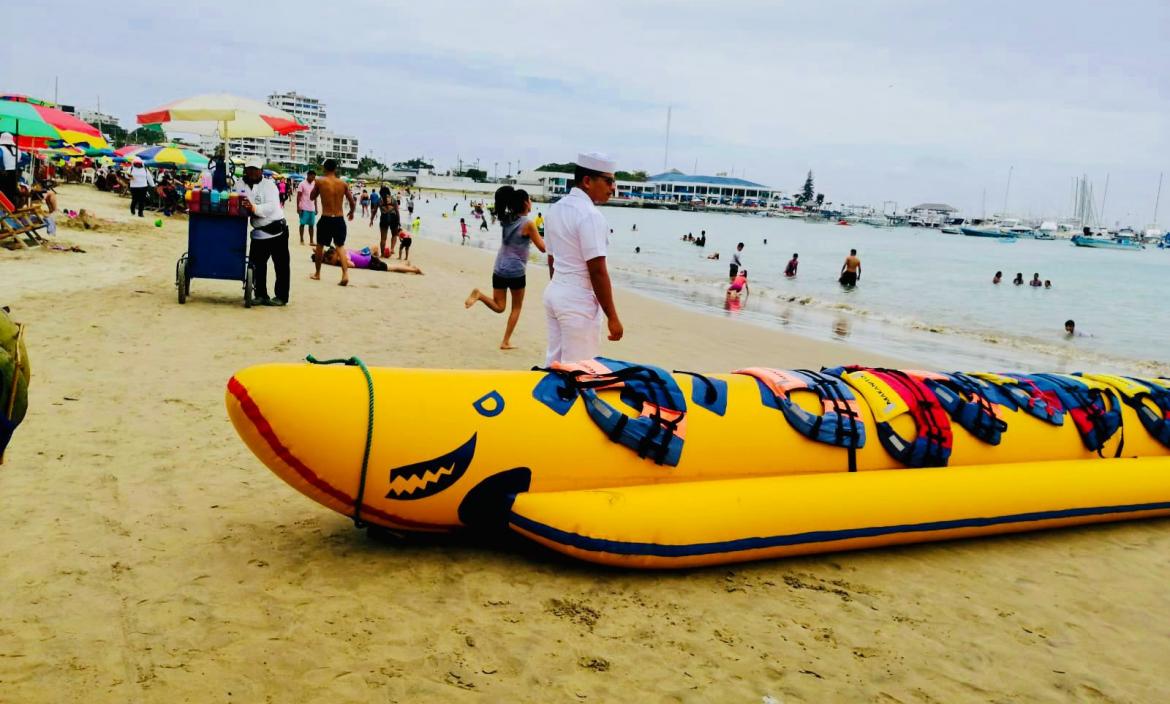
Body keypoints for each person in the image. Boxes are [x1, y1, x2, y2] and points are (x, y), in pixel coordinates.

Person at [542, 152, 622, 364]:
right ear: (587, 181)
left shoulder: (555, 209)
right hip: (577, 299)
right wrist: (612, 317)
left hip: (556, 291)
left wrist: (560, 289)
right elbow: (597, 271)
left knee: (555, 364)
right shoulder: (590, 215)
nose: (612, 187)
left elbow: (552, 259)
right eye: (608, 181)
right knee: (580, 370)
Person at [465, 186, 547, 349]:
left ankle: (480, 295)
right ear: (525, 203)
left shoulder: (506, 219)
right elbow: (543, 248)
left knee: (500, 306)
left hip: (499, 268)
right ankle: (505, 341)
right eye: (530, 199)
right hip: (516, 271)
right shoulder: (528, 224)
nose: (531, 202)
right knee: (516, 307)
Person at [237, 156, 290, 306]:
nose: (253, 172)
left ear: (261, 171)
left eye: (256, 169)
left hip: (276, 230)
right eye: (250, 169)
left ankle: (281, 296)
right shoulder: (240, 184)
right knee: (256, 265)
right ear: (246, 170)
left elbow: (272, 206)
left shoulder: (270, 186)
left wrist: (253, 208)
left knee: (281, 265)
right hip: (258, 233)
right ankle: (261, 295)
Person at [310, 159, 356, 286]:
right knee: (340, 246)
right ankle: (345, 274)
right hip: (339, 218)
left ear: (324, 168)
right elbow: (352, 202)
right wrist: (351, 212)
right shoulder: (343, 183)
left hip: (326, 217)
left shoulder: (320, 181)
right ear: (335, 169)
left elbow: (312, 197)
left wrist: (318, 189)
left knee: (320, 245)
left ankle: (317, 273)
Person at [373, 186, 400, 257]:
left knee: (383, 238)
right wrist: (399, 221)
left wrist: (371, 219)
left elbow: (374, 211)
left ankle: (382, 253)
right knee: (394, 234)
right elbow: (397, 211)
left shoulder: (379, 200)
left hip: (384, 217)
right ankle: (392, 249)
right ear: (389, 192)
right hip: (393, 217)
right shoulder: (393, 199)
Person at [296, 171, 319, 246]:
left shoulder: (314, 184)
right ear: (308, 175)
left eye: (314, 177)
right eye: (312, 176)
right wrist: (298, 207)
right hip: (303, 207)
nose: (313, 178)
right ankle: (301, 239)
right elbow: (298, 196)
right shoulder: (302, 184)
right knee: (302, 224)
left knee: (311, 225)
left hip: (311, 208)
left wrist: (316, 208)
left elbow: (315, 197)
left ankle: (311, 241)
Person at [0, 133, 20, 205]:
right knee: (12, 192)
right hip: (14, 174)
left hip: (3, 174)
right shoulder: (18, 150)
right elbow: (19, 160)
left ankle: (4, 210)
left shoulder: (1, 149)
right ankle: (12, 208)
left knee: (3, 193)